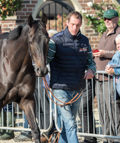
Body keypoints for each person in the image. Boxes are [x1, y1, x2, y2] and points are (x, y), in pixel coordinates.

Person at [47, 11, 96, 143]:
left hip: (77, 88)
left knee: (67, 124)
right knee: (71, 125)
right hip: (60, 88)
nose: (75, 28)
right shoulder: (55, 40)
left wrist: (91, 70)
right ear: (67, 23)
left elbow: (91, 62)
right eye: (73, 24)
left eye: (78, 25)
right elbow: (44, 60)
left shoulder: (85, 41)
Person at [14, 29, 59, 143]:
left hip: (48, 81)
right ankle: (45, 132)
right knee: (39, 108)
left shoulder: (49, 49)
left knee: (47, 109)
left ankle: (51, 132)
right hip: (37, 81)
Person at [93, 9, 120, 143]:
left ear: (116, 19)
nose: (107, 21)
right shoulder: (105, 33)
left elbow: (119, 51)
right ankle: (107, 138)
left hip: (110, 80)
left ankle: (116, 138)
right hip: (99, 78)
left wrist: (105, 53)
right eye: (105, 18)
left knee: (113, 111)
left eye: (110, 19)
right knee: (103, 111)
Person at [105, 32, 120, 121]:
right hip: (118, 89)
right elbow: (110, 63)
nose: (118, 46)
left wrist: (114, 71)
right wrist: (108, 68)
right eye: (117, 44)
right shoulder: (117, 54)